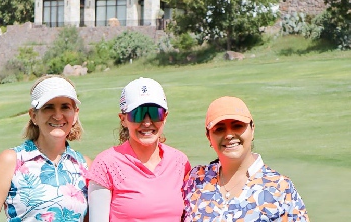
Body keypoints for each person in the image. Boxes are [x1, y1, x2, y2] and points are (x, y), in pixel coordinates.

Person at [0, 75, 91, 222]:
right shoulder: (12, 160)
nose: (57, 115)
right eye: (48, 107)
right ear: (34, 116)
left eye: (65, 107)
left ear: (75, 115)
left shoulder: (84, 165)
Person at [182, 96, 310, 221]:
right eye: (219, 129)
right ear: (208, 137)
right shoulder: (196, 179)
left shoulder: (279, 188)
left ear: (252, 129)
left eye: (237, 126)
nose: (229, 135)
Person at [87, 77, 191, 222]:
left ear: (165, 117)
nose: (147, 122)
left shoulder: (180, 162)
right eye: (137, 114)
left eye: (155, 113)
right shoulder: (106, 164)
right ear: (123, 119)